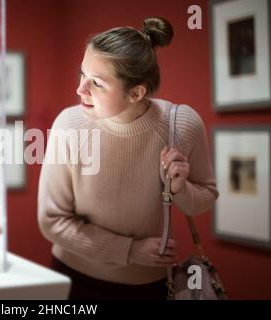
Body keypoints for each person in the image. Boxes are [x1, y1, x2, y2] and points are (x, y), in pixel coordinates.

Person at [37, 17, 219, 300]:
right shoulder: (68, 125)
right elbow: (51, 221)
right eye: (81, 74)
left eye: (96, 83)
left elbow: (206, 198)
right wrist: (130, 250)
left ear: (136, 92)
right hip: (74, 280)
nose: (80, 89)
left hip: (150, 289)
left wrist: (180, 188)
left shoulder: (181, 124)